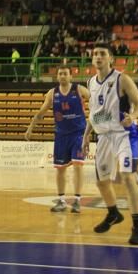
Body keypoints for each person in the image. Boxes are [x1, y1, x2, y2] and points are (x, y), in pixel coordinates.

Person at [84, 44, 138, 245]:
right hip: (103, 135)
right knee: (101, 181)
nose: (98, 57)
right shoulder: (91, 82)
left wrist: (133, 116)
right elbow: (95, 113)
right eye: (95, 54)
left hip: (125, 134)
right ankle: (113, 213)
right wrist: (86, 135)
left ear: (111, 58)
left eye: (102, 54)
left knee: (127, 178)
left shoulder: (122, 79)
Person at [25, 65, 89, 213]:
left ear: (71, 76)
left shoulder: (79, 90)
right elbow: (41, 112)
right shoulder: (52, 93)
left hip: (78, 134)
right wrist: (30, 127)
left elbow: (95, 100)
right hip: (61, 136)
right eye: (60, 74)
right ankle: (61, 201)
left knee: (78, 166)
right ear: (57, 76)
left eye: (65, 74)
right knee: (60, 169)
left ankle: (77, 200)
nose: (62, 76)